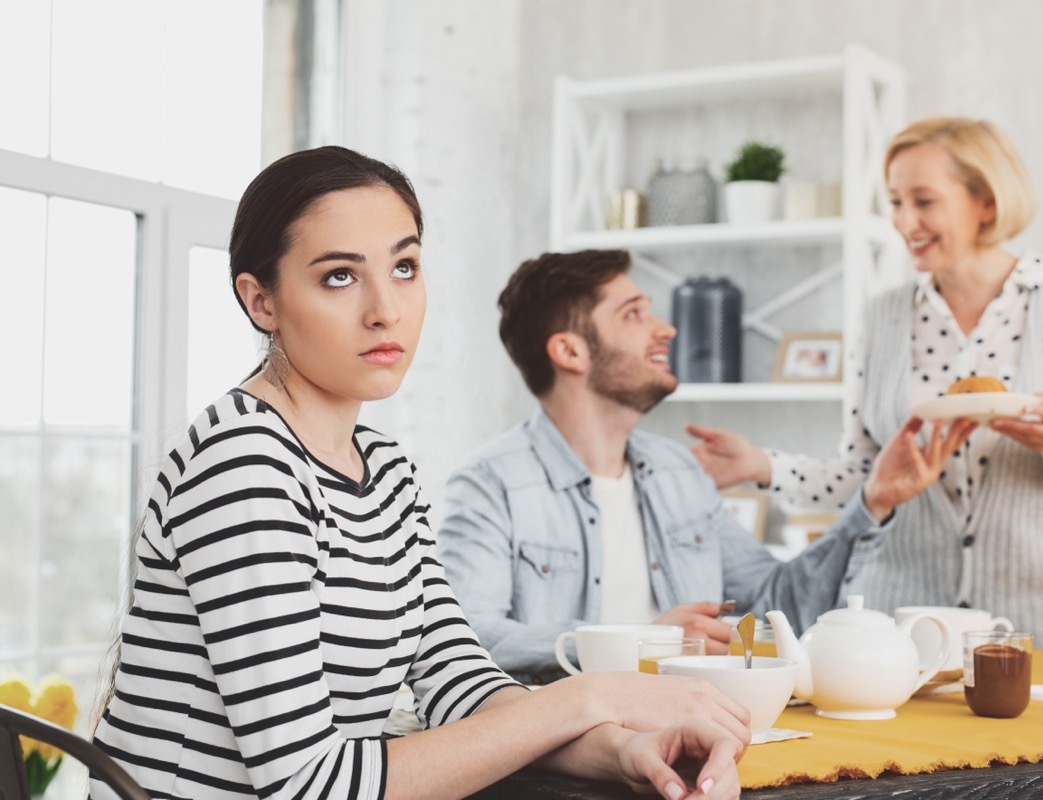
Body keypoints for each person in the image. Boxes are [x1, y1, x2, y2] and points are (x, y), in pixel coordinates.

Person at [90, 146, 755, 800]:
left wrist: (622, 751)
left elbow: (456, 680)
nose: (387, 309)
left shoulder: (383, 470)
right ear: (261, 301)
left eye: (404, 266)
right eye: (340, 277)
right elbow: (307, 785)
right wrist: (592, 694)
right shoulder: (244, 465)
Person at [688, 117, 1043, 649]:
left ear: (985, 203)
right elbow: (866, 478)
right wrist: (762, 466)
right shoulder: (883, 319)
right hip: (908, 633)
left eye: (923, 201)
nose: (904, 221)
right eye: (895, 202)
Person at [436, 248, 974, 681]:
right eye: (634, 314)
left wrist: (873, 502)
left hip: (700, 726)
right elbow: (466, 640)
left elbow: (773, 607)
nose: (666, 329)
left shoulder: (678, 473)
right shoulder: (490, 485)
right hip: (571, 754)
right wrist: (645, 643)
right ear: (570, 352)